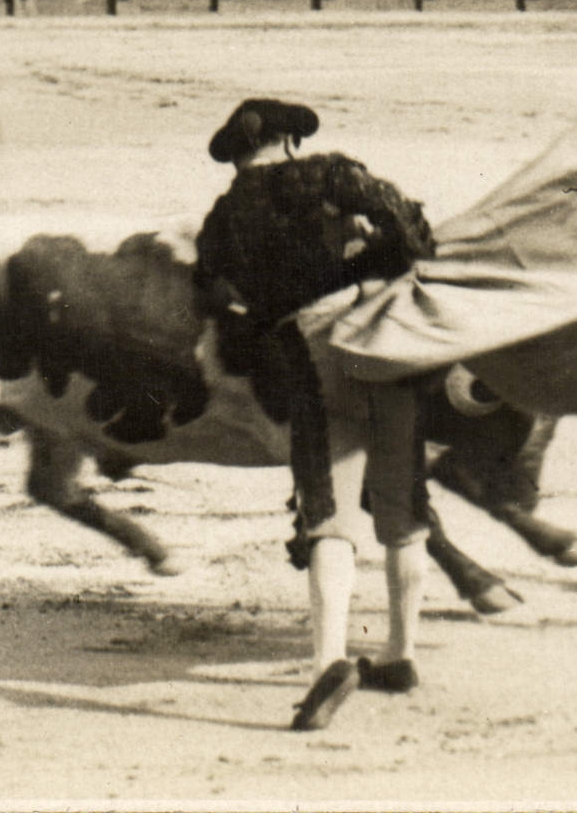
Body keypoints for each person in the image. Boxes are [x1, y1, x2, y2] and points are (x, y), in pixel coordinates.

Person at [194, 99, 436, 730]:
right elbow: (413, 232)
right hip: (384, 336)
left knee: (327, 510)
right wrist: (370, 263)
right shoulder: (330, 174)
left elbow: (215, 293)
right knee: (403, 498)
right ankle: (401, 653)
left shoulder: (224, 216)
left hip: (308, 349)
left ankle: (329, 659)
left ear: (241, 155)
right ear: (289, 142)